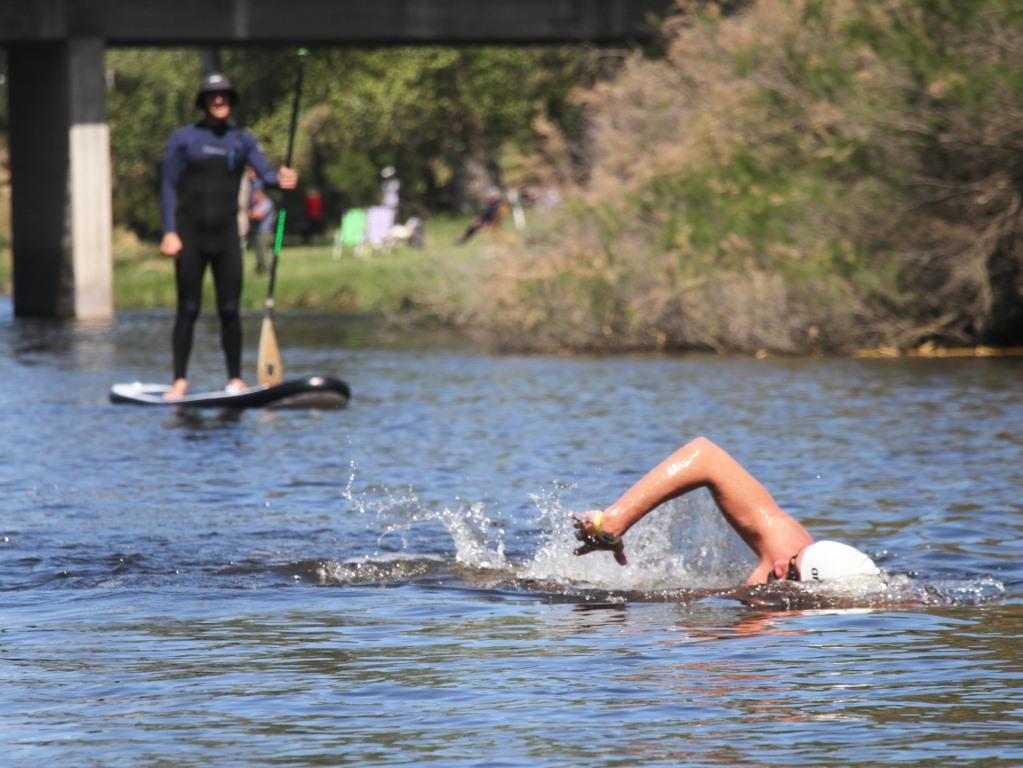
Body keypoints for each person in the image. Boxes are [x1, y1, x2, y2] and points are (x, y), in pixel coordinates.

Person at [573, 437, 881, 584]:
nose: (778, 568)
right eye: (790, 562)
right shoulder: (786, 546)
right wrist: (616, 520)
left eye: (791, 574)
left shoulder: (777, 640)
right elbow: (706, 456)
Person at [160, 73, 297, 399]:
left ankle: (235, 379)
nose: (218, 101)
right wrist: (169, 231)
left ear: (231, 100)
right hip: (189, 235)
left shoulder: (242, 141)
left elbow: (265, 175)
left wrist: (283, 179)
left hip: (226, 237)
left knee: (230, 309)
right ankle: (179, 380)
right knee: (188, 308)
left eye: (224, 96)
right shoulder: (184, 139)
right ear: (204, 102)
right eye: (212, 96)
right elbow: (167, 185)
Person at [248, 181, 275, 275]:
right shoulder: (258, 204)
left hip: (264, 232)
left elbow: (258, 215)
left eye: (256, 194)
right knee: (258, 253)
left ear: (261, 194)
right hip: (258, 232)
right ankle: (259, 271)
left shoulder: (267, 203)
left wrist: (246, 215)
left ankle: (270, 270)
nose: (254, 197)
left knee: (263, 253)